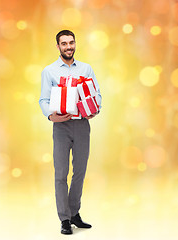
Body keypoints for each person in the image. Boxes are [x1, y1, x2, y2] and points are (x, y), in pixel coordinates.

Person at [39, 30, 102, 235]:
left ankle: (75, 213)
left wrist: (95, 108)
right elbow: (43, 100)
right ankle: (64, 219)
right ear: (58, 46)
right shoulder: (49, 71)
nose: (68, 46)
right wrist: (51, 116)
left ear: (75, 44)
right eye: (64, 43)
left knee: (80, 172)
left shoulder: (86, 68)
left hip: (82, 124)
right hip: (61, 127)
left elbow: (97, 94)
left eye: (71, 42)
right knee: (61, 173)